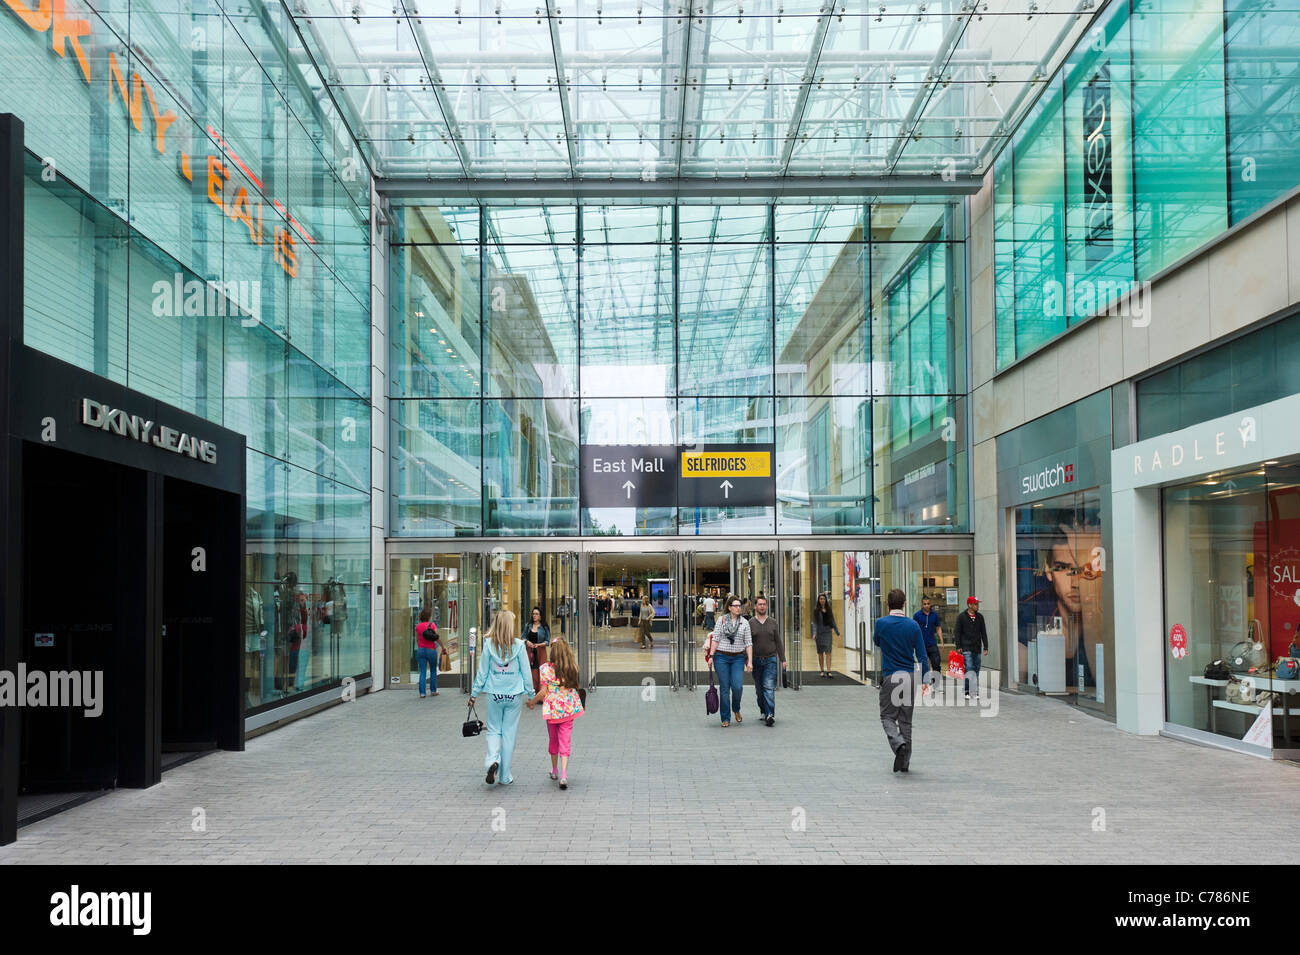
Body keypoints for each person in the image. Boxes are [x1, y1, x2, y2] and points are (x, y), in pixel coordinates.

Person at [469, 610, 533, 786]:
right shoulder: (519, 645)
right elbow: (526, 672)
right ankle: (505, 776)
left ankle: (491, 761)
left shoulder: (489, 644)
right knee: (509, 734)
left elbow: (482, 672)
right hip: (513, 695)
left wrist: (474, 694)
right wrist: (531, 694)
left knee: (494, 730)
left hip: (494, 694)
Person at [873, 588, 930, 773]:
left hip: (891, 675)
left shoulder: (881, 623)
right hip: (910, 676)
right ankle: (905, 763)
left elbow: (877, 642)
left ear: (888, 604)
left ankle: (898, 744)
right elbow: (922, 655)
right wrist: (926, 680)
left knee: (887, 716)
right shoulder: (913, 625)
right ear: (904, 603)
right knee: (906, 720)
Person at [527, 636, 584, 790]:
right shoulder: (571, 667)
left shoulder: (545, 669)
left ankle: (554, 770)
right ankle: (564, 775)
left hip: (552, 711)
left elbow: (542, 692)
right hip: (568, 710)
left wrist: (531, 702)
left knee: (553, 740)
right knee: (565, 741)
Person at [706, 596, 753, 727]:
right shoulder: (721, 621)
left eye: (740, 606)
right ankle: (725, 717)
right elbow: (715, 639)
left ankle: (736, 708)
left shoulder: (745, 623)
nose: (739, 608)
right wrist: (711, 656)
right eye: (736, 606)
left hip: (738, 657)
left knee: (737, 687)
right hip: (721, 657)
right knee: (725, 688)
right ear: (730, 607)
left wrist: (749, 661)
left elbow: (749, 643)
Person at [748, 596, 786, 726]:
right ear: (755, 607)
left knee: (769, 687)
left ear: (767, 606)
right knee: (759, 690)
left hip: (770, 659)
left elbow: (778, 641)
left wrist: (783, 659)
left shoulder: (773, 622)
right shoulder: (750, 623)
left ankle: (770, 714)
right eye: (760, 604)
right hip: (756, 660)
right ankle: (763, 710)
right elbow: (747, 643)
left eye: (764, 604)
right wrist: (747, 660)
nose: (762, 606)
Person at [954, 595, 989, 701]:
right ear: (969, 605)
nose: (977, 606)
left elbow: (983, 632)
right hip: (966, 647)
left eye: (977, 604)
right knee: (969, 668)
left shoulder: (980, 617)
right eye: (975, 604)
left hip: (977, 647)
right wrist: (958, 646)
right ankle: (969, 691)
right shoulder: (961, 617)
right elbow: (957, 632)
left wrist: (986, 646)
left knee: (976, 669)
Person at [913, 597, 943, 683]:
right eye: (924, 604)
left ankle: (935, 682)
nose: (926, 605)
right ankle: (925, 683)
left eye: (928, 604)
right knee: (924, 665)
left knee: (936, 664)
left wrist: (941, 641)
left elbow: (938, 628)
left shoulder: (934, 615)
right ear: (922, 605)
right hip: (921, 645)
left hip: (932, 644)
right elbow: (914, 629)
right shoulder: (917, 615)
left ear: (930, 604)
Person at [415, 608, 443, 699]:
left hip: (421, 650)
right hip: (431, 650)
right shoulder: (432, 625)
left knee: (422, 671)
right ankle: (433, 691)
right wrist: (443, 647)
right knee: (433, 671)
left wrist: (420, 646)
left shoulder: (418, 626)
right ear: (429, 617)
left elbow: (417, 639)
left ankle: (422, 693)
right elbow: (436, 638)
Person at [812, 592, 840, 679]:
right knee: (820, 653)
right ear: (818, 600)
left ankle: (829, 671)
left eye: (823, 599)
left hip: (828, 633)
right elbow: (815, 623)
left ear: (825, 600)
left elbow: (833, 621)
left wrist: (837, 631)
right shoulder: (816, 611)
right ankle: (822, 670)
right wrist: (814, 633)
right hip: (820, 634)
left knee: (828, 652)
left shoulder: (829, 610)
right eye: (820, 599)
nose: (822, 600)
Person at [524, 606, 551, 693]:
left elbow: (547, 641)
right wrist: (527, 642)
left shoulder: (544, 627)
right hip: (530, 651)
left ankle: (541, 692)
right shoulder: (528, 626)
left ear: (540, 616)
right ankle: (533, 692)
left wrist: (539, 645)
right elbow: (523, 637)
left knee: (542, 671)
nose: (534, 616)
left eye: (536, 614)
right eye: (533, 614)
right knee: (532, 671)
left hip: (540, 652)